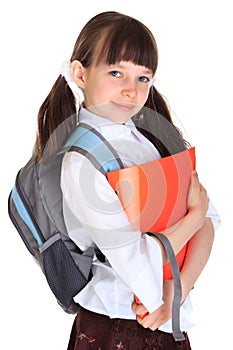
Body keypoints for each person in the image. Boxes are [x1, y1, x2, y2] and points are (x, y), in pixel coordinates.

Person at [35, 11, 220, 350]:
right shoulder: (81, 160)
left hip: (167, 318)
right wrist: (192, 217)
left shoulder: (153, 140)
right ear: (80, 73)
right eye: (116, 72)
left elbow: (210, 220)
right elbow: (137, 257)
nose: (131, 91)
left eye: (143, 78)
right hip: (116, 325)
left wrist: (178, 293)